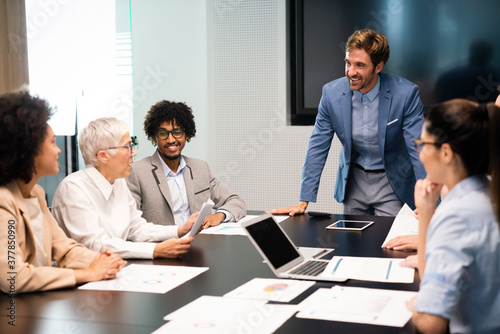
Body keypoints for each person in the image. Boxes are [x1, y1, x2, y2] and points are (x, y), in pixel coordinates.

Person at [268, 29, 425, 217]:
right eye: (348, 63)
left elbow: (419, 149)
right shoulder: (331, 94)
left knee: (389, 242)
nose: (351, 72)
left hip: (392, 181)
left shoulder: (405, 94)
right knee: (351, 239)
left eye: (360, 65)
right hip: (354, 182)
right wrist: (304, 201)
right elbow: (317, 147)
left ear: (378, 66)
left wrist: (429, 201)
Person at [0, 89, 126, 293]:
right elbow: (12, 276)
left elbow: (64, 248)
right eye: (51, 142)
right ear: (27, 149)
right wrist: (87, 274)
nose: (58, 149)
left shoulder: (36, 193)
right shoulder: (3, 201)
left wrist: (101, 260)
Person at [406, 99, 500, 333]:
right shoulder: (487, 190)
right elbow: (433, 279)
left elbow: (431, 324)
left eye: (423, 145)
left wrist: (414, 307)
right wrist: (427, 212)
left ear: (446, 152)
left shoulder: (456, 216)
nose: (420, 155)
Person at [52, 118, 198, 259]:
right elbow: (95, 245)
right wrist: (155, 250)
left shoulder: (119, 181)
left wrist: (181, 230)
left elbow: (137, 229)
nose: (134, 153)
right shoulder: (73, 188)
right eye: (127, 146)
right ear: (103, 156)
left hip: (114, 267)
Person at [126, 100, 246, 229]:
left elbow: (236, 202)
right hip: (162, 245)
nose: (171, 140)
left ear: (187, 134)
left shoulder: (200, 167)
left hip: (202, 243)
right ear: (154, 137)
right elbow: (130, 223)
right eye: (163, 133)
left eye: (177, 132)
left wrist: (219, 215)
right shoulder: (136, 172)